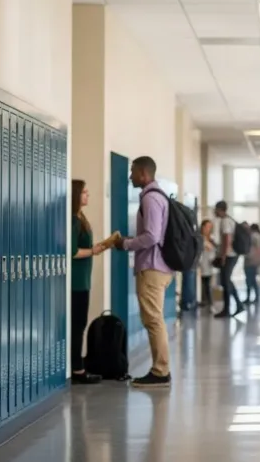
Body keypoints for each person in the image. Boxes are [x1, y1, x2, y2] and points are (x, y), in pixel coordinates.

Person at [113, 156, 174, 388]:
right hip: (159, 266)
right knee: (154, 319)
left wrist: (126, 244)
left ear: (143, 173)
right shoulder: (159, 197)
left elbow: (151, 237)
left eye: (132, 172)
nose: (130, 177)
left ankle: (160, 371)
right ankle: (161, 368)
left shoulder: (150, 199)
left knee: (153, 320)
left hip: (152, 267)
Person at [70, 180, 109, 384]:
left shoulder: (80, 217)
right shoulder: (73, 221)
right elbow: (72, 251)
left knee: (79, 324)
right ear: (75, 195)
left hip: (83, 280)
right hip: (76, 283)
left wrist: (97, 247)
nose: (87, 195)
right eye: (84, 192)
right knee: (77, 325)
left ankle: (76, 365)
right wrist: (92, 251)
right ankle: (77, 369)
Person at [213, 200, 243, 318]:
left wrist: (223, 256)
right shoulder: (230, 220)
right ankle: (238, 304)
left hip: (229, 255)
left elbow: (227, 239)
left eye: (215, 209)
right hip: (232, 255)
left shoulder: (225, 221)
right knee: (226, 280)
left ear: (220, 210)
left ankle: (227, 309)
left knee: (225, 281)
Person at [197, 219, 216, 308]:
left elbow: (213, 250)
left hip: (208, 264)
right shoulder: (199, 237)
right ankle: (205, 300)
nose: (208, 229)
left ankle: (208, 301)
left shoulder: (211, 239)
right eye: (207, 227)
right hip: (200, 264)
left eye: (210, 227)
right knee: (202, 283)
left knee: (207, 284)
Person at [244, 223, 260, 304]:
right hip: (252, 260)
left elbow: (258, 249)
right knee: (251, 280)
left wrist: (257, 260)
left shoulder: (254, 236)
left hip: (251, 261)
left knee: (250, 280)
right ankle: (254, 297)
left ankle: (252, 297)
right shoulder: (256, 236)